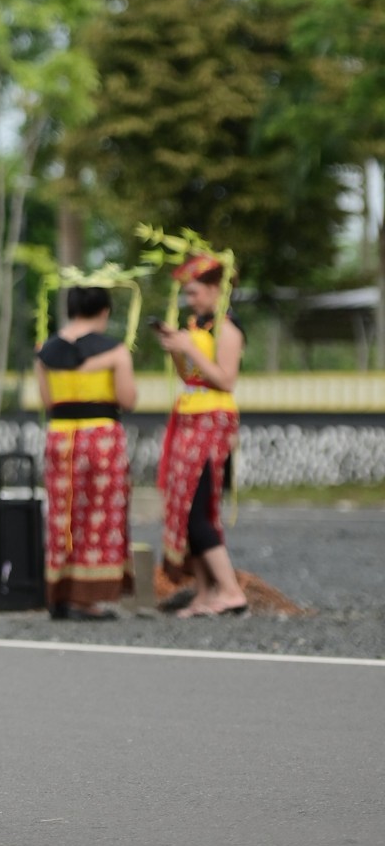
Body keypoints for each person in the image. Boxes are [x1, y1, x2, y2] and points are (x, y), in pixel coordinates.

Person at [35, 283, 137, 620]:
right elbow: (128, 399)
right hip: (100, 438)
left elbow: (48, 401)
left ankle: (60, 592)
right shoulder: (115, 351)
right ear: (104, 312)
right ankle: (86, 596)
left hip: (61, 437)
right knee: (99, 515)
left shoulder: (45, 352)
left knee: (62, 514)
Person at [154, 253, 248, 617]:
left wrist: (190, 347)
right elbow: (189, 376)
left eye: (194, 292)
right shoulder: (198, 327)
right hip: (188, 417)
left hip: (212, 421)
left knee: (198, 510)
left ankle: (230, 591)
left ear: (214, 290)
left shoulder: (228, 329)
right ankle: (205, 593)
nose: (189, 300)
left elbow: (225, 379)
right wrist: (177, 350)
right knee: (184, 508)